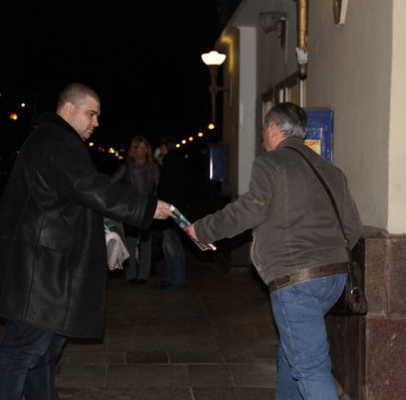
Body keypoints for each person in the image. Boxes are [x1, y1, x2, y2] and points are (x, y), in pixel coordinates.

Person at [0, 83, 172, 400]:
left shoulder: (53, 139)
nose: (96, 122)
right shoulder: (57, 142)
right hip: (39, 271)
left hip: (47, 267)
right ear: (69, 109)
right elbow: (90, 187)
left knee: (45, 351)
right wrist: (146, 207)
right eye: (91, 114)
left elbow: (75, 195)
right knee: (22, 351)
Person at [187, 102, 363, 400]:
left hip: (296, 280)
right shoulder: (331, 171)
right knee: (291, 347)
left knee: (311, 368)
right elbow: (354, 228)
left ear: (273, 128)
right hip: (334, 278)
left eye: (263, 130)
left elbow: (247, 211)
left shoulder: (271, 163)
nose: (262, 137)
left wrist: (202, 230)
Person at [110, 135, 160, 284]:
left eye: (145, 147)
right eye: (139, 147)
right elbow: (111, 183)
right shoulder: (127, 167)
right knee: (131, 243)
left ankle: (143, 275)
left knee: (146, 243)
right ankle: (130, 274)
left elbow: (158, 188)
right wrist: (122, 199)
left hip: (148, 208)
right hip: (132, 209)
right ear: (134, 149)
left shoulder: (153, 167)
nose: (142, 150)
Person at [153, 134, 188, 290]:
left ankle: (176, 279)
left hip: (170, 211)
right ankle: (171, 278)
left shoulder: (170, 162)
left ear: (164, 147)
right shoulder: (177, 161)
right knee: (171, 245)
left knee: (172, 246)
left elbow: (166, 188)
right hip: (176, 209)